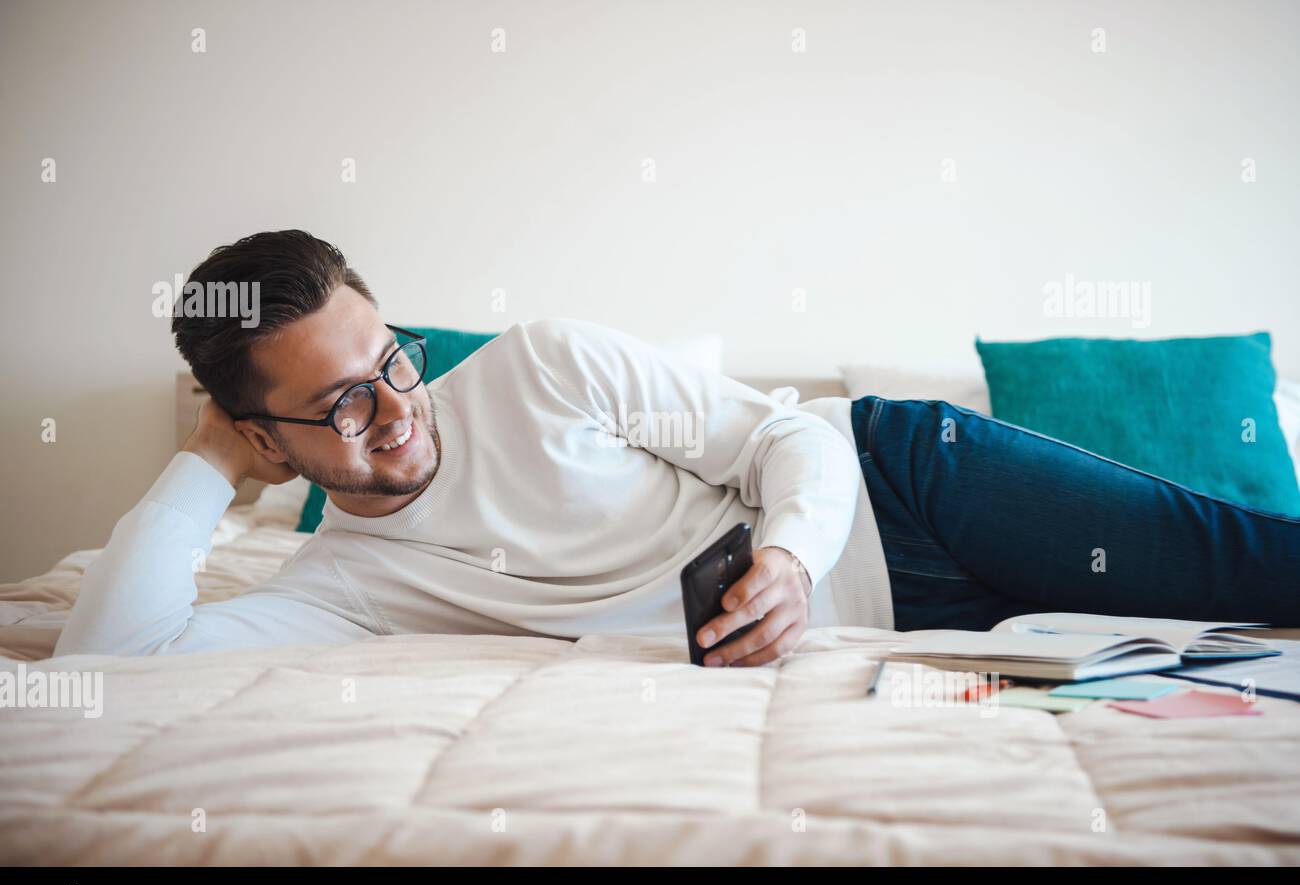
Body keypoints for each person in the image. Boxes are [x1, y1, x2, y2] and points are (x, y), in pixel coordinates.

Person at [54, 230, 1300, 665]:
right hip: (910, 630)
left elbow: (774, 440)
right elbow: (112, 655)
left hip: (905, 489)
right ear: (267, 439)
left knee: (1247, 568)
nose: (396, 410)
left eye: (392, 359)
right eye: (339, 407)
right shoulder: (339, 590)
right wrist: (210, 461)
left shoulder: (541, 364)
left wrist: (799, 565)